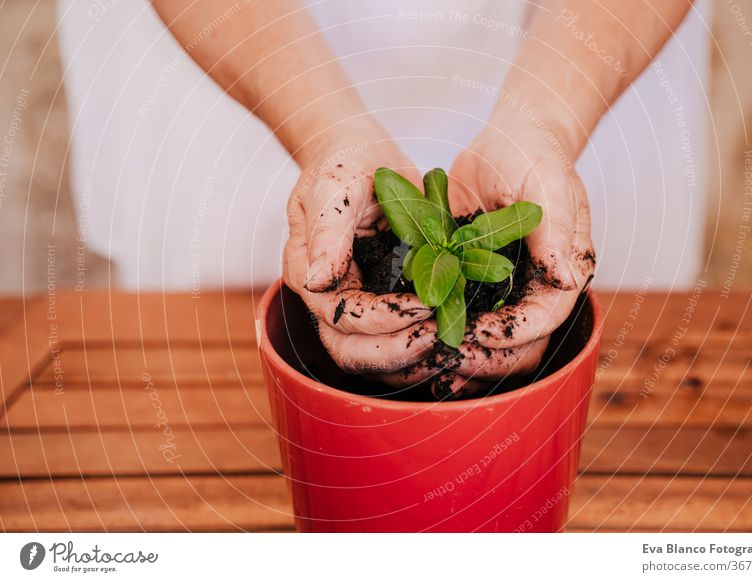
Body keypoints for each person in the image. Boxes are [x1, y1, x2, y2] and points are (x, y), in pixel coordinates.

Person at [59, 0, 710, 395]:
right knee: (254, 327)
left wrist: (545, 121)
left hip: (577, 48)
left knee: (564, 312)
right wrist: (321, 125)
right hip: (243, 44)